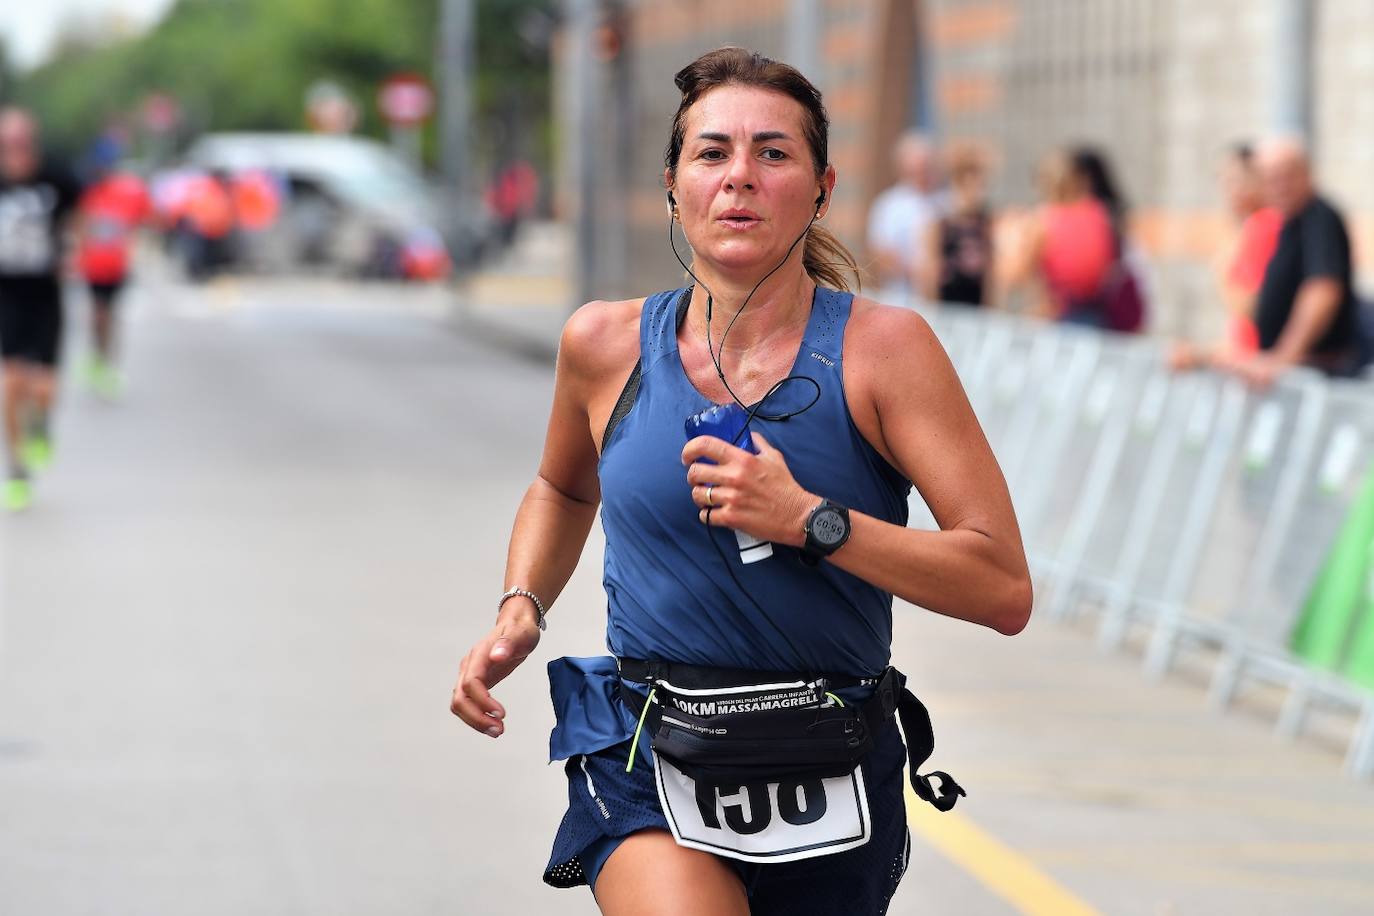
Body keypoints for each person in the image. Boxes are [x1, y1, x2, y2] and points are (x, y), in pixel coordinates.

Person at [450, 47, 1032, 916]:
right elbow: (563, 489)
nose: (740, 177)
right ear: (674, 186)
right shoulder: (604, 344)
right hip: (648, 744)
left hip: (831, 750)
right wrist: (520, 606)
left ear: (822, 189)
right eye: (713, 153)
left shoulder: (884, 353)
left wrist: (811, 520)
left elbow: (1002, 587)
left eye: (773, 153)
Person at [1216, 136, 1362, 386]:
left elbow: (1322, 292)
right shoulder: (1287, 223)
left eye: (1286, 176)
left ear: (1306, 173)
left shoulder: (1319, 218)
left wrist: (1283, 358)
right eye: (1270, 178)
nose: (1279, 186)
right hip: (1289, 369)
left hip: (1315, 372)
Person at [0, 108, 81, 511]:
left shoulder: (56, 176)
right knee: (11, 380)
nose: (14, 150)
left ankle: (42, 424)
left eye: (20, 142)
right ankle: (16, 469)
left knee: (44, 385)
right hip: (6, 292)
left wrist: (74, 248)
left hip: (45, 291)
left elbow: (81, 213)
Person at [1170, 143, 1282, 371]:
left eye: (1234, 180)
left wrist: (1223, 267)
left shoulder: (1262, 225)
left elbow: (1248, 307)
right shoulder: (1259, 225)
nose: (1227, 189)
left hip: (1254, 365)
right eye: (1222, 180)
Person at [1003, 149, 1116, 325]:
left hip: (1058, 311)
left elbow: (1017, 273)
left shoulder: (1045, 219)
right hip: (1095, 310)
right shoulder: (1098, 213)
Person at [75, 157, 150, 398]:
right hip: (93, 266)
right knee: (99, 314)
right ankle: (98, 357)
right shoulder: (87, 195)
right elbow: (78, 225)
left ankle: (107, 362)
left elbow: (144, 218)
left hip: (117, 266)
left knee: (111, 315)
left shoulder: (126, 194)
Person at [866, 130, 943, 308]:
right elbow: (880, 254)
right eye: (919, 168)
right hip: (901, 298)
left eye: (927, 167)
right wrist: (918, 273)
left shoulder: (944, 201)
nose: (924, 173)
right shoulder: (889, 205)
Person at [918, 143, 992, 307]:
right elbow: (930, 265)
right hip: (947, 301)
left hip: (975, 302)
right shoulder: (941, 219)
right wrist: (930, 304)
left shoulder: (983, 220)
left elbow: (988, 269)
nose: (978, 192)